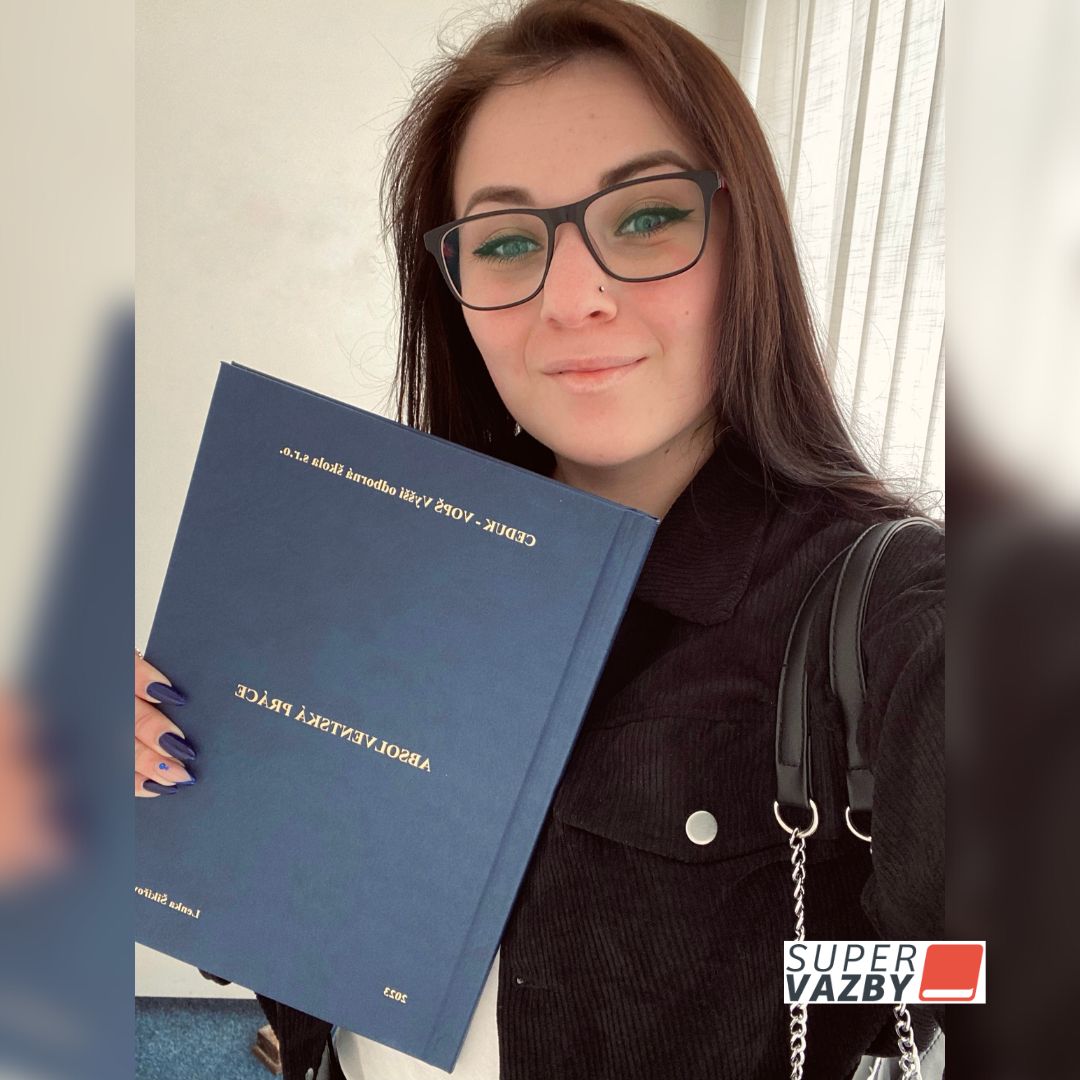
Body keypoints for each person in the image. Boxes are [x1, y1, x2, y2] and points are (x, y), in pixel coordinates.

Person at [134, 1, 944, 1077]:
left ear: (745, 239)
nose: (573, 297)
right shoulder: (382, 565)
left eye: (646, 217)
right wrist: (171, 788)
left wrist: (803, 978)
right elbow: (291, 920)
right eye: (508, 241)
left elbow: (981, 970)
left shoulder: (893, 607)